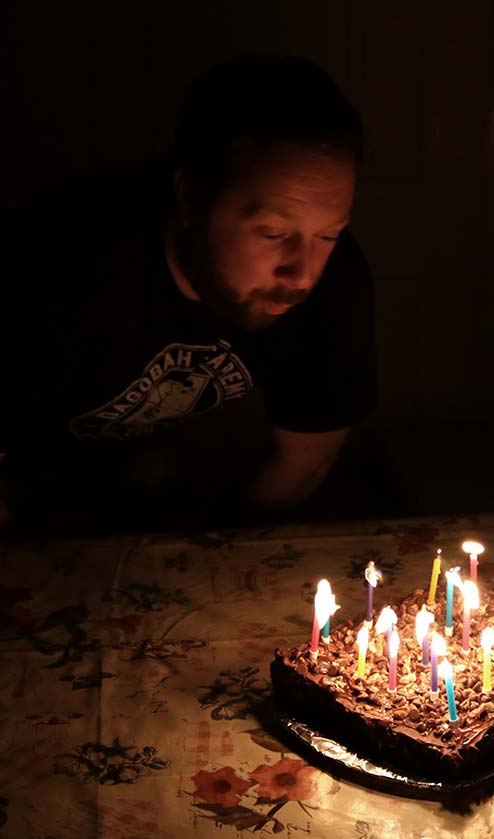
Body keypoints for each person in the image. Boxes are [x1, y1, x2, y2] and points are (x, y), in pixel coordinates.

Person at [0, 55, 377, 534]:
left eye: (328, 234)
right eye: (271, 232)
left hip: (199, 501)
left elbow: (303, 464)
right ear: (192, 199)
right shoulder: (47, 262)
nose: (303, 272)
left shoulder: (335, 281)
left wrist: (214, 562)